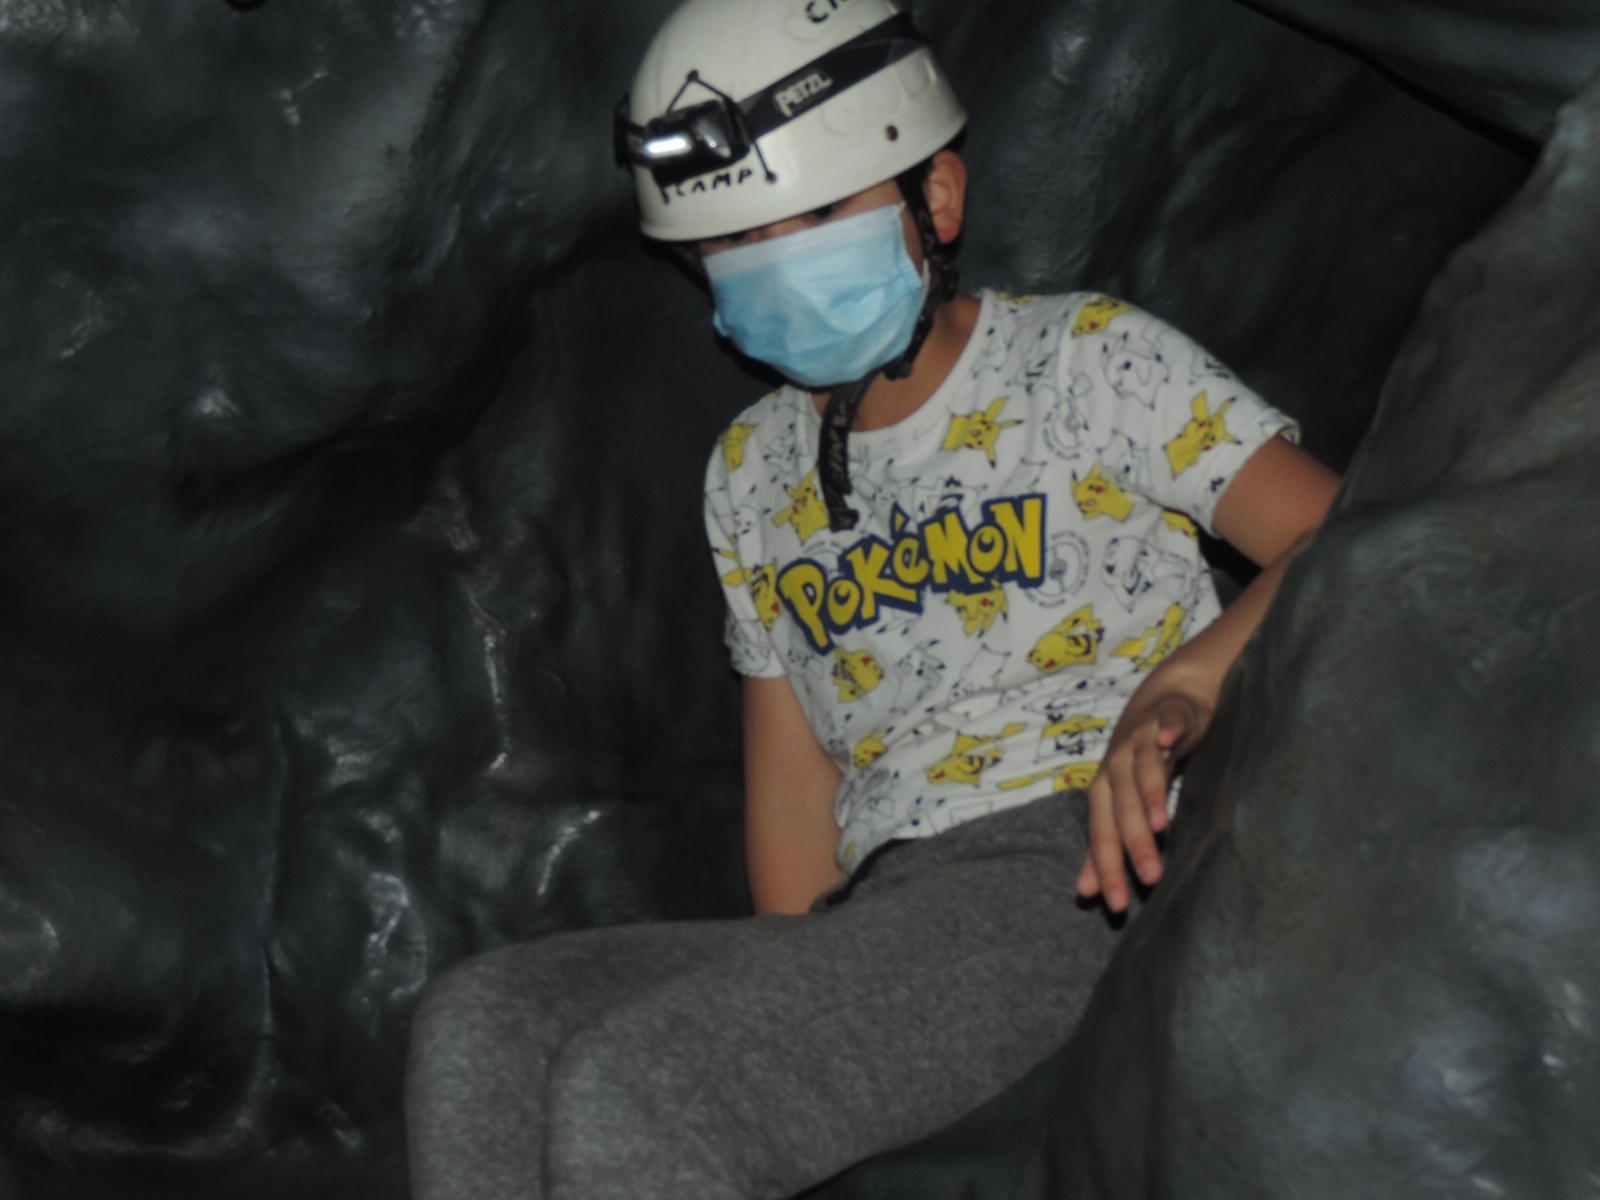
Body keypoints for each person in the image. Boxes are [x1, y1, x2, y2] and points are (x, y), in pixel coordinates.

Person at [404, 2, 1341, 1198]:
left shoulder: (1087, 360)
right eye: (735, 241)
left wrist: (1190, 679)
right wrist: (790, 1012)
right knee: (483, 1027)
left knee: (647, 1084)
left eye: (813, 217)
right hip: (889, 905)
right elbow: (795, 791)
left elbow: (1346, 530)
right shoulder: (750, 472)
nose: (775, 259)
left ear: (934, 199)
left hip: (1080, 870)